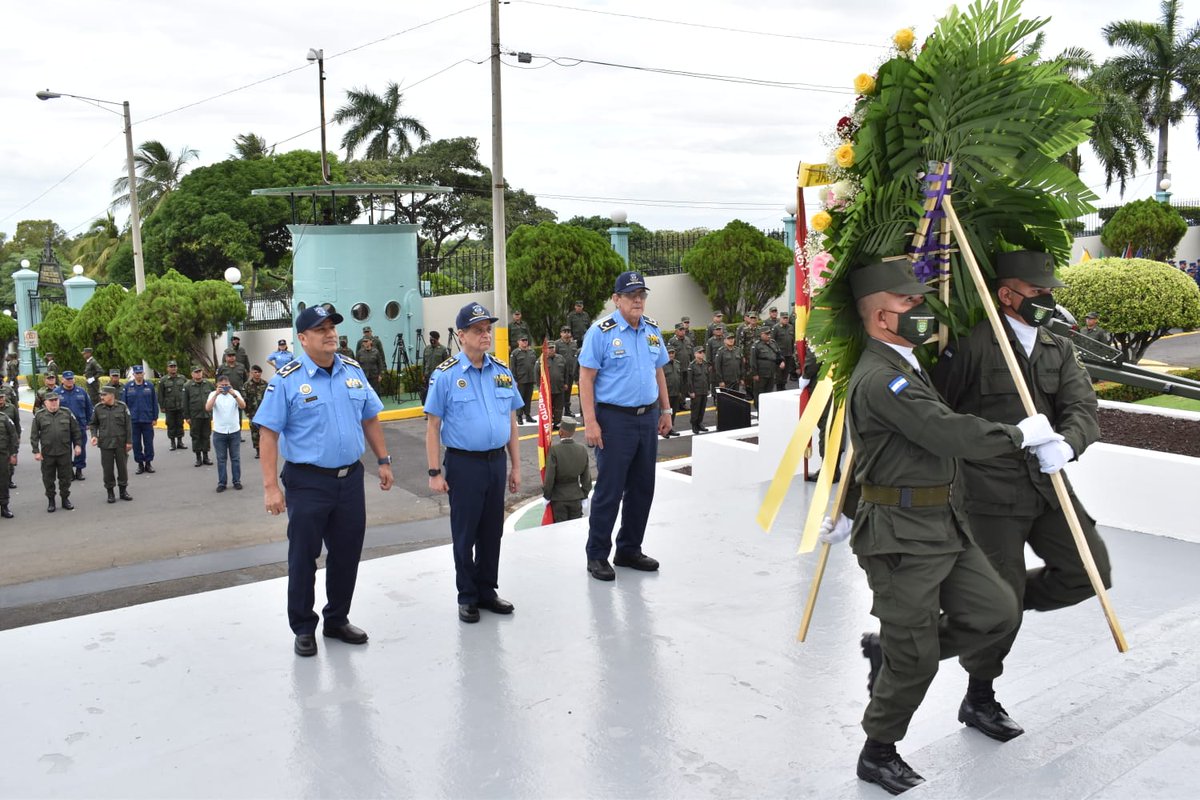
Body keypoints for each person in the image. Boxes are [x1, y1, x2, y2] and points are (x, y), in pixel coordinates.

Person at [825, 259, 1061, 794]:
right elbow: (946, 432)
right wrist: (1019, 435)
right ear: (881, 316)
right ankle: (877, 751)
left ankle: (899, 650)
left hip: (943, 524)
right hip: (901, 537)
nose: (921, 309)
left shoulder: (907, 363)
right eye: (909, 303)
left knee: (999, 612)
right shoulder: (881, 377)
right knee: (916, 662)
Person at [930, 249, 1111, 745]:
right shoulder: (971, 346)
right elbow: (941, 415)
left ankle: (976, 613)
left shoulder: (1059, 348)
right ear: (1007, 295)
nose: (1048, 298)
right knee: (1002, 600)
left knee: (1088, 572)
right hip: (988, 495)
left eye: (1050, 290)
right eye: (1038, 292)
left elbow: (1083, 409)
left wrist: (1066, 443)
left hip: (1048, 487)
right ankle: (980, 695)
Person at [255, 304, 393, 657]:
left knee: (346, 553)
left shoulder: (353, 371)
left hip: (350, 480)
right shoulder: (286, 380)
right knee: (303, 556)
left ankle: (336, 619)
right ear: (303, 339)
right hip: (307, 482)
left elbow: (370, 419)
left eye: (331, 327)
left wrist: (384, 460)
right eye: (321, 329)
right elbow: (268, 435)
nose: (330, 333)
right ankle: (303, 627)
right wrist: (271, 487)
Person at [424, 302, 523, 623]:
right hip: (464, 464)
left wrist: (516, 466)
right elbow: (432, 426)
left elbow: (511, 421)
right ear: (462, 335)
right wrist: (434, 471)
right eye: (478, 330)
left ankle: (486, 590)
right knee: (465, 532)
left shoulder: (502, 372)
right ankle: (466, 595)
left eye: (487, 329)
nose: (486, 334)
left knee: (492, 530)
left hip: (495, 462)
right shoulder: (446, 376)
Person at [578, 270, 673, 581]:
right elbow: (586, 378)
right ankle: (597, 555)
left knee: (643, 487)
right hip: (614, 420)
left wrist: (666, 409)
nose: (637, 300)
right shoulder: (600, 332)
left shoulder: (651, 330)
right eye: (631, 295)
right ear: (616, 299)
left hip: (647, 417)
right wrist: (590, 422)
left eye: (641, 295)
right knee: (609, 489)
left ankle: (629, 549)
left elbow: (658, 370)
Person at [31, 391, 82, 513]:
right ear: (45, 403)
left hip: (64, 452)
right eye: (51, 401)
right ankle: (51, 501)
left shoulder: (67, 413)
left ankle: (65, 499)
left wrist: (78, 445)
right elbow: (34, 435)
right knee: (48, 479)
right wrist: (36, 451)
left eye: (56, 400)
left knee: (65, 478)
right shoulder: (39, 416)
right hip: (47, 454)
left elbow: (76, 431)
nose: (54, 402)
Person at [89, 384, 133, 503]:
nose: (102, 397)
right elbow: (93, 424)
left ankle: (123, 491)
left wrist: (129, 442)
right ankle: (110, 492)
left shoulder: (122, 407)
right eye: (101, 395)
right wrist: (94, 436)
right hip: (105, 444)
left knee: (122, 468)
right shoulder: (98, 408)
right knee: (107, 469)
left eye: (104, 395)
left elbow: (128, 426)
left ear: (112, 395)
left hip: (120, 443)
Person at [543, 416, 592, 521]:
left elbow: (549, 477)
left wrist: (547, 495)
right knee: (574, 530)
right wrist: (584, 494)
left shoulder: (554, 450)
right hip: (576, 496)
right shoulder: (582, 449)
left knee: (561, 532)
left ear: (560, 432)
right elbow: (586, 477)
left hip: (558, 498)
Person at [206, 375, 246, 492]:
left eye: (226, 385)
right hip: (219, 432)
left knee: (235, 458)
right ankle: (222, 482)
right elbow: (208, 408)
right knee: (221, 459)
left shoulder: (235, 393)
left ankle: (237, 481)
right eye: (222, 385)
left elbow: (243, 406)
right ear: (217, 385)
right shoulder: (213, 394)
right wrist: (216, 394)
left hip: (234, 431)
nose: (224, 387)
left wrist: (233, 394)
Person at [57, 371, 94, 482]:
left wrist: (88, 422)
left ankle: (79, 470)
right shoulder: (56, 393)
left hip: (80, 425)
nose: (70, 381)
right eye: (67, 379)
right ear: (62, 380)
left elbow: (89, 408)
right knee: (66, 450)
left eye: (71, 379)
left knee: (80, 449)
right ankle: (69, 471)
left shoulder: (81, 392)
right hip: (64, 427)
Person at [123, 365, 159, 475]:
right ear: (133, 375)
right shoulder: (128, 387)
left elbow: (154, 402)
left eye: (141, 373)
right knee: (136, 443)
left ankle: (148, 463)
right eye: (137, 373)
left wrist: (155, 417)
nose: (139, 375)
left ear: (143, 374)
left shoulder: (150, 386)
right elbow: (124, 405)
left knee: (148, 442)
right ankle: (140, 464)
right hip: (133, 421)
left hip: (147, 419)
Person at [183, 366, 215, 467]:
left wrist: (213, 414)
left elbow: (214, 398)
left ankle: (206, 456)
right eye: (196, 372)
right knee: (196, 436)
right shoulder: (187, 386)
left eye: (199, 371)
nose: (198, 374)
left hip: (206, 415)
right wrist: (187, 417)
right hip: (194, 416)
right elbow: (185, 403)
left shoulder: (208, 384)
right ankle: (198, 458)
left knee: (206, 435)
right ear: (192, 374)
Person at [749, 326, 784, 408]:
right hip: (761, 374)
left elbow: (779, 354)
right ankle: (759, 410)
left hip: (771, 372)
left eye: (769, 334)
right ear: (761, 334)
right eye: (766, 334)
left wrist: (781, 361)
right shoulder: (756, 345)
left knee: (769, 393)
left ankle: (767, 409)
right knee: (759, 393)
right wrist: (755, 373)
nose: (769, 335)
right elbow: (753, 360)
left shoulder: (773, 343)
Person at [157, 360, 188, 451]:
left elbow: (186, 392)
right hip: (169, 407)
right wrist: (162, 406)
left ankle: (180, 441)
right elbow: (160, 394)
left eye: (174, 366)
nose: (173, 368)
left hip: (180, 406)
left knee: (180, 424)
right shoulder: (163, 380)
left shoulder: (182, 378)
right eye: (171, 366)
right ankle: (172, 443)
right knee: (171, 424)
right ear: (167, 368)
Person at [538, 342, 567, 427]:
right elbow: (537, 373)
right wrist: (540, 386)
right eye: (549, 348)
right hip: (547, 389)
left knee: (559, 407)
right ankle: (549, 423)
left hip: (559, 387)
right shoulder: (541, 360)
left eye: (552, 348)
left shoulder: (561, 358)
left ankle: (557, 423)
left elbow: (566, 371)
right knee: (548, 407)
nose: (551, 350)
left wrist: (565, 383)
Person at [509, 335, 537, 425]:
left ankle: (528, 415)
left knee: (528, 398)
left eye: (526, 340)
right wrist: (515, 380)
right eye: (523, 340)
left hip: (530, 379)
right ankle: (519, 416)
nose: (525, 342)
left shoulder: (532, 352)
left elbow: (535, 366)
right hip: (520, 380)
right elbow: (512, 368)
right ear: (518, 342)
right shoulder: (515, 353)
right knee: (520, 398)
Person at [242, 365, 268, 458]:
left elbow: (270, 398)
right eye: (255, 372)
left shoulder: (265, 384)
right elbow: (244, 400)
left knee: (265, 432)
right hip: (253, 413)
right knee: (255, 432)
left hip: (264, 412)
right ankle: (258, 450)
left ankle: (265, 449)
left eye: (259, 372)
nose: (257, 374)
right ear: (251, 373)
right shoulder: (246, 385)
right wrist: (247, 413)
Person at [685, 349, 711, 434]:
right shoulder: (692, 365)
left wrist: (708, 389)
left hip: (704, 390)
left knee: (702, 409)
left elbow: (707, 378)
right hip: (696, 391)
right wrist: (691, 391)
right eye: (700, 352)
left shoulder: (705, 364)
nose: (702, 354)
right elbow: (689, 380)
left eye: (703, 352)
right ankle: (694, 425)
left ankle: (700, 423)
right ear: (695, 354)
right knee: (695, 409)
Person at [0, 389, 16, 518]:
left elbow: (13, 435)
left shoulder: (4, 418)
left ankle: (4, 507)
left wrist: (13, 454)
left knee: (3, 481)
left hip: (2, 454)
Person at [661, 346, 684, 437]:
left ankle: (670, 428)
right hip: (667, 393)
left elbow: (680, 378)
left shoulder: (677, 364)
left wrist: (681, 391)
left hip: (676, 391)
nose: (671, 355)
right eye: (669, 353)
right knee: (665, 412)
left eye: (672, 353)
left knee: (673, 412)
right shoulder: (662, 365)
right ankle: (664, 429)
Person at [0, 390, 19, 493]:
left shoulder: (10, 408)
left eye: (1, 397)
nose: (0, 400)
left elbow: (16, 423)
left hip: (7, 443)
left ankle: (9, 479)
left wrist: (18, 436)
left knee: (8, 467)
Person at [556, 327, 579, 415]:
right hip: (561, 373)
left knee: (568, 392)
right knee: (560, 394)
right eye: (564, 332)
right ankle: (558, 412)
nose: (567, 334)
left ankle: (567, 410)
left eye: (568, 332)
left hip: (571, 372)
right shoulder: (557, 344)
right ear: (561, 333)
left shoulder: (574, 344)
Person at [773, 311, 797, 389]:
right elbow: (773, 341)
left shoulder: (790, 327)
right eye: (784, 318)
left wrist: (793, 351)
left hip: (789, 353)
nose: (786, 320)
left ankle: (783, 386)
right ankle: (779, 387)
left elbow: (792, 340)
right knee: (779, 373)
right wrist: (776, 354)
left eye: (787, 318)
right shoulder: (776, 328)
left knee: (786, 372)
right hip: (780, 354)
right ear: (780, 318)